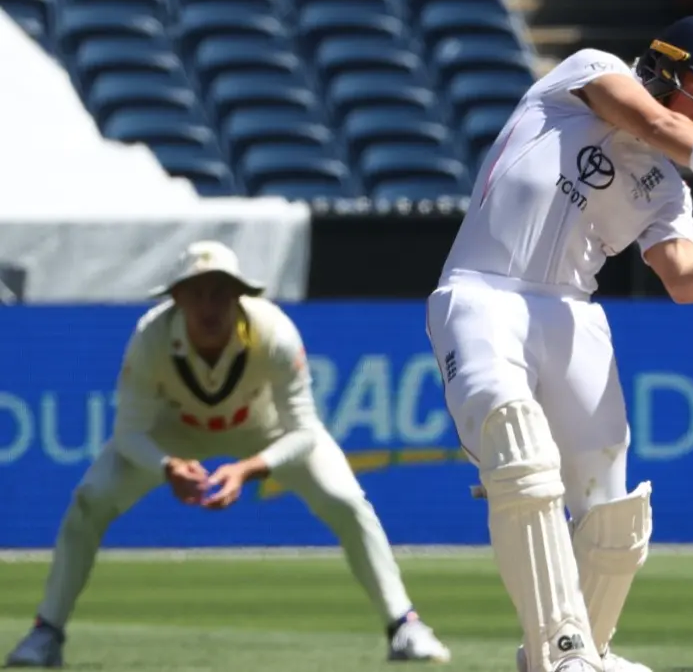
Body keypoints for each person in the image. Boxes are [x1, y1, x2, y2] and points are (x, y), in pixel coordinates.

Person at [424, 15, 693, 672]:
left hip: (572, 314)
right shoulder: (589, 72)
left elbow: (683, 279)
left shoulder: (667, 188)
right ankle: (564, 651)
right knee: (522, 456)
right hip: (483, 293)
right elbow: (655, 124)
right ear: (664, 67)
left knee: (617, 513)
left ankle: (575, 654)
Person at [4, 242, 450, 668]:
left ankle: (403, 625)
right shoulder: (151, 337)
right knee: (90, 499)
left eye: (220, 292)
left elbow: (303, 431)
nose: (209, 305)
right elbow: (128, 434)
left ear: (239, 294)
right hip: (173, 436)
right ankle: (47, 633)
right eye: (196, 292)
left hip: (264, 431)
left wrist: (249, 469)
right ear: (177, 297)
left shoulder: (273, 332)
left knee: (346, 501)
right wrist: (167, 466)